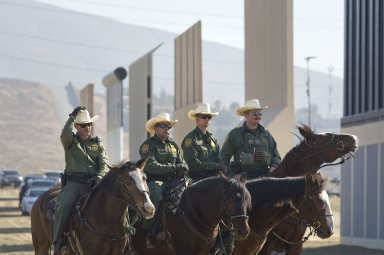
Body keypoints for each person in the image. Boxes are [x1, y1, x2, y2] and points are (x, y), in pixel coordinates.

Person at [53, 106, 109, 254]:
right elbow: (64, 134)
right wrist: (72, 117)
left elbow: (104, 162)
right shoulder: (70, 141)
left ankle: (125, 240)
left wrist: (100, 175)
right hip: (75, 184)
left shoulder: (98, 143)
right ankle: (58, 241)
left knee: (118, 202)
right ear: (77, 127)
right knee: (64, 205)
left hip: (95, 182)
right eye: (84, 125)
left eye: (89, 124)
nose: (87, 127)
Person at [139, 112, 189, 248]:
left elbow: (182, 162)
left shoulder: (173, 145)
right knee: (155, 195)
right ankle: (149, 230)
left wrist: (183, 167)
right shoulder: (148, 146)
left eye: (169, 126)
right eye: (163, 126)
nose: (167, 129)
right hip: (156, 180)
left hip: (175, 180)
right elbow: (151, 166)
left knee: (193, 194)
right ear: (156, 128)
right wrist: (174, 168)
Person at [221, 99, 281, 180]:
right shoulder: (235, 134)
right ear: (246, 114)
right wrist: (232, 176)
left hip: (263, 180)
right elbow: (222, 158)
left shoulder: (267, 135)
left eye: (259, 113)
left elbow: (276, 156)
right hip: (243, 182)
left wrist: (274, 167)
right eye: (254, 113)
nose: (258, 116)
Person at [182, 103, 225, 181]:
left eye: (209, 117)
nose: (207, 119)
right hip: (197, 180)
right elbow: (192, 164)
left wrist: (221, 166)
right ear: (197, 118)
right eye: (204, 116)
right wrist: (215, 166)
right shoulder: (190, 139)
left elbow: (219, 159)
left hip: (213, 179)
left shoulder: (213, 139)